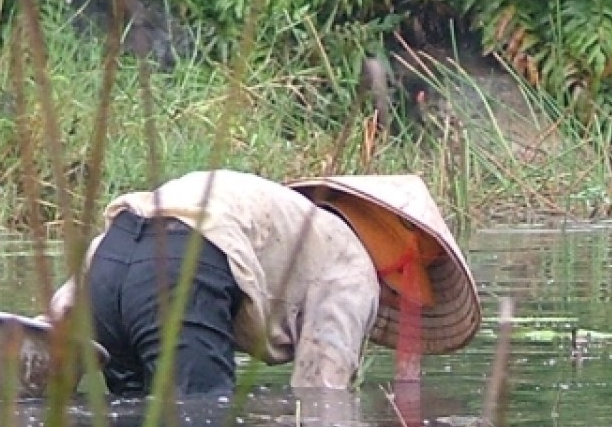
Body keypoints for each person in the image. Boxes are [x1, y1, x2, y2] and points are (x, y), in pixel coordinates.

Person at [49, 169, 480, 398]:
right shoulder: (352, 265)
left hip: (109, 258)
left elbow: (70, 301)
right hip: (181, 269)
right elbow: (319, 395)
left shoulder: (290, 217)